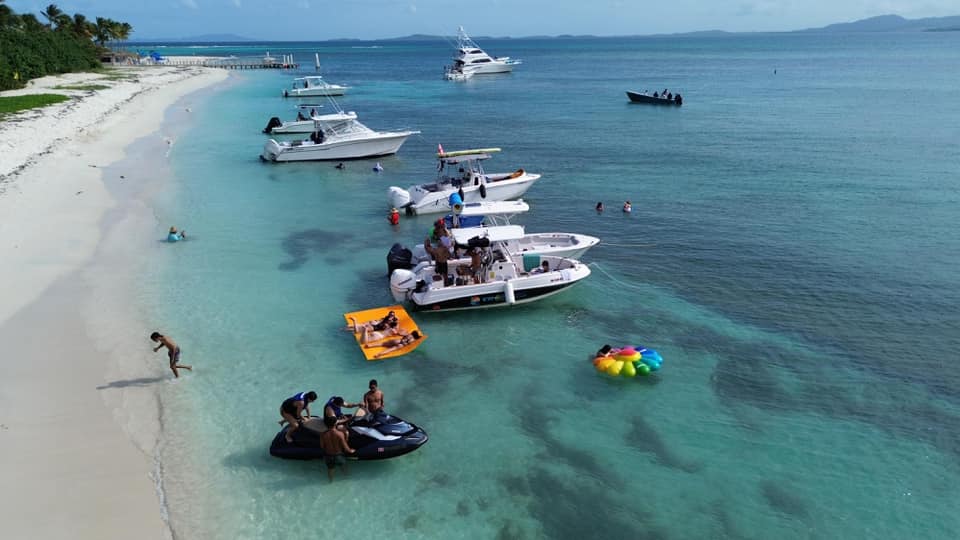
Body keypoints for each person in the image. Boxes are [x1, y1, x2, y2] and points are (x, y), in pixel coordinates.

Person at [320, 415, 355, 482]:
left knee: (330, 469)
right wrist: (351, 451)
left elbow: (322, 446)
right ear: (335, 423)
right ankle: (346, 478)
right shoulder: (339, 434)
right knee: (343, 467)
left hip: (328, 455)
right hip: (338, 455)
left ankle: (330, 482)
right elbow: (345, 447)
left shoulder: (323, 434)